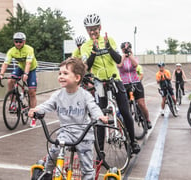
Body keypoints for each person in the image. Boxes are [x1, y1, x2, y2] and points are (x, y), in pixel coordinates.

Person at [28, 57, 108, 180]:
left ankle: (88, 177)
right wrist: (37, 110)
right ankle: (48, 172)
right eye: (60, 73)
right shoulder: (58, 95)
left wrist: (99, 116)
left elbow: (93, 107)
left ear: (77, 78)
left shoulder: (84, 95)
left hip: (84, 133)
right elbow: (47, 105)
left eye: (65, 73)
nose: (61, 76)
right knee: (54, 150)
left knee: (86, 164)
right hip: (66, 132)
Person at [80, 13, 140, 154]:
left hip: (115, 80)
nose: (92, 31)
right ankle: (100, 150)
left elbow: (119, 59)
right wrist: (94, 52)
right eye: (89, 29)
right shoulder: (85, 46)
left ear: (100, 28)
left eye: (95, 28)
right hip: (99, 83)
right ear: (86, 30)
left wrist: (108, 48)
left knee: (125, 111)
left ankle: (132, 141)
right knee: (100, 116)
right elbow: (86, 67)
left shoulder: (109, 40)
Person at [0, 32, 38, 128]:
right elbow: (5, 63)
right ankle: (13, 102)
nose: (18, 43)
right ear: (14, 42)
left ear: (24, 41)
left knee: (32, 92)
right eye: (16, 41)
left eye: (20, 42)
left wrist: (26, 74)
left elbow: (28, 63)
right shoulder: (11, 51)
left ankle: (34, 116)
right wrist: (1, 74)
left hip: (31, 69)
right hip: (20, 68)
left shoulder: (29, 49)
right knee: (10, 81)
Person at [117, 42, 152, 129]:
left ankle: (147, 120)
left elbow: (135, 65)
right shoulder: (120, 58)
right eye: (124, 49)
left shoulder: (134, 58)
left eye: (128, 48)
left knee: (141, 104)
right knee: (127, 107)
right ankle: (128, 125)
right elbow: (119, 65)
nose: (126, 50)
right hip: (125, 84)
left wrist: (130, 55)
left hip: (136, 83)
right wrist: (124, 56)